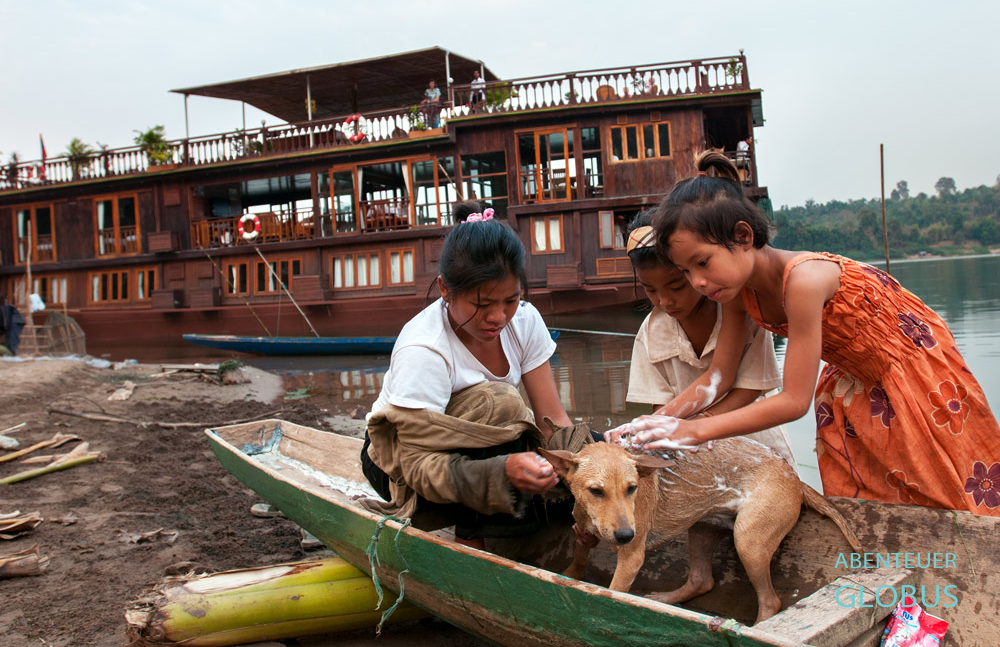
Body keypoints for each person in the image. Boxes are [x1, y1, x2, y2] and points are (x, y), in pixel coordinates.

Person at [613, 151, 1000, 515]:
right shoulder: (735, 291)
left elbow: (794, 400)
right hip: (855, 379)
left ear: (743, 237)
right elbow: (719, 376)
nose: (697, 281)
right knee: (872, 501)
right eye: (685, 271)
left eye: (702, 262)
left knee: (946, 492)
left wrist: (694, 431)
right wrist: (651, 425)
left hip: (910, 371)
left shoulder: (803, 281)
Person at [360, 201, 593, 548]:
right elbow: (417, 465)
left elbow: (551, 421)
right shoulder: (424, 349)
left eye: (510, 300)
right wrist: (500, 472)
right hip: (402, 463)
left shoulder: (524, 320)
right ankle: (475, 540)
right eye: (482, 305)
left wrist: (582, 484)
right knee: (503, 403)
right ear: (445, 289)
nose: (499, 317)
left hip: (479, 447)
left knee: (587, 450)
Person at [623, 210, 796, 466]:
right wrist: (648, 429)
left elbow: (751, 388)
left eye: (676, 287)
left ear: (692, 271)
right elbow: (660, 406)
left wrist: (703, 424)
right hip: (691, 454)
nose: (665, 301)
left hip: (758, 446)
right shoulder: (650, 334)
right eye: (651, 290)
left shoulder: (744, 312)